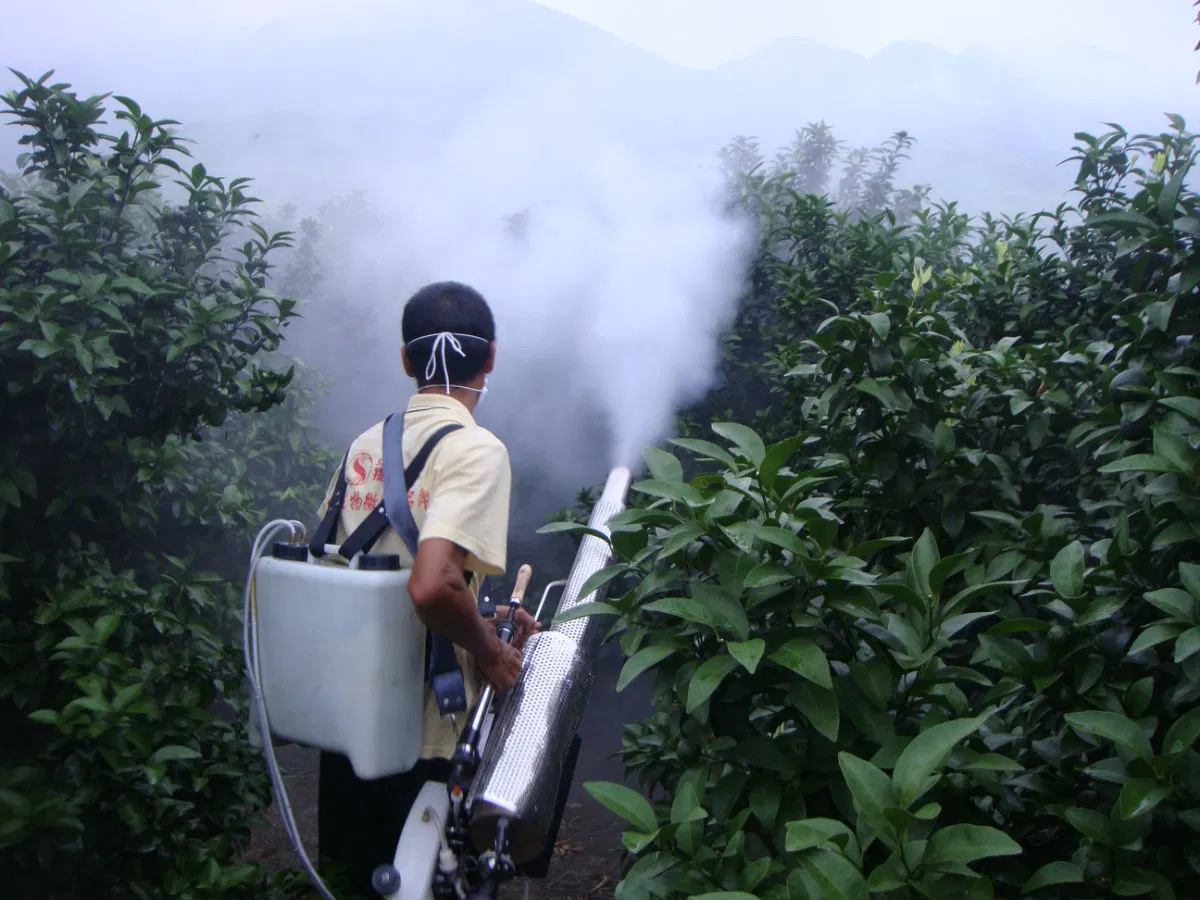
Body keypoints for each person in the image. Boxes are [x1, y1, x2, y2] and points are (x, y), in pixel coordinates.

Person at [313, 280, 539, 897]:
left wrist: (483, 614)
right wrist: (490, 655)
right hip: (424, 730)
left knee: (359, 882)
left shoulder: (367, 443)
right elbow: (433, 583)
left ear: (407, 361)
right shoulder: (474, 449)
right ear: (490, 358)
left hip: (350, 714)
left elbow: (372, 568)